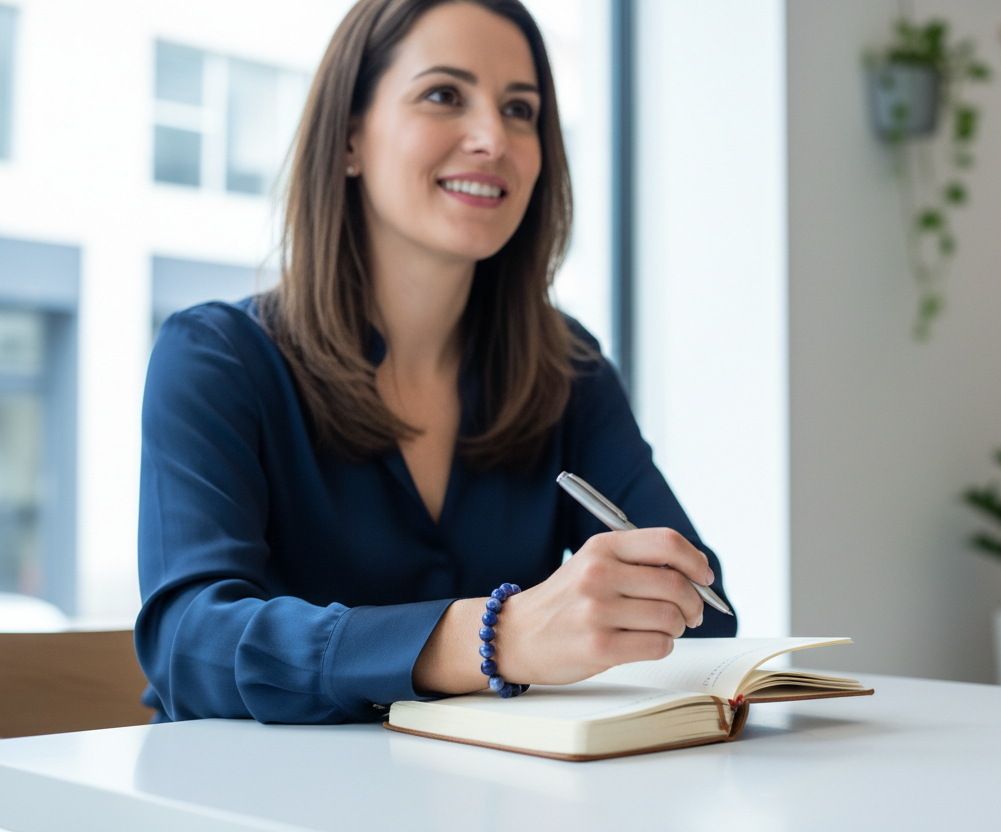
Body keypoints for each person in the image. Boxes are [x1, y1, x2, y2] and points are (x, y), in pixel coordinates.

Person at [136, 0, 735, 725]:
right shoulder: (217, 359)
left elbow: (707, 614)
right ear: (350, 137)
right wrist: (496, 638)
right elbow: (189, 644)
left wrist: (640, 598)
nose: (493, 138)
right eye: (444, 96)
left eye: (521, 109)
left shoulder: (567, 371)